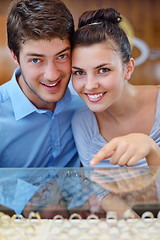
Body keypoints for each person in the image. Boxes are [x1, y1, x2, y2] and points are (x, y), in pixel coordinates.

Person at [71, 8, 160, 168]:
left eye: (103, 70)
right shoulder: (83, 123)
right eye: (79, 72)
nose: (90, 85)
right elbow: (99, 192)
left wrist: (152, 150)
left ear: (128, 68)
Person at [0, 0, 84, 168]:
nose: (52, 75)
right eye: (36, 60)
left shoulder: (85, 99)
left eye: (62, 56)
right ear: (15, 56)